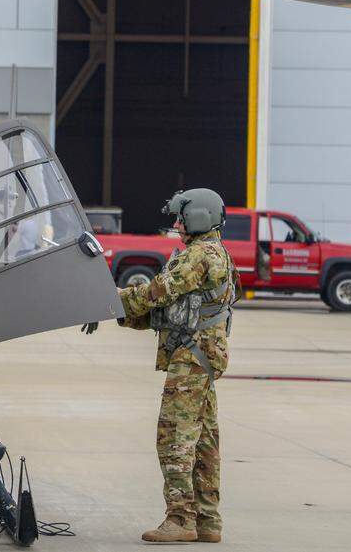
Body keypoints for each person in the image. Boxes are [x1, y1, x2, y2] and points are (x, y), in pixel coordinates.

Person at [108, 188, 239, 543]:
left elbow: (156, 293)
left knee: (175, 437)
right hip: (201, 354)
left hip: (191, 357)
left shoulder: (199, 255)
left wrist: (109, 299)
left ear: (199, 217)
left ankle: (181, 518)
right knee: (205, 439)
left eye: (181, 217)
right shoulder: (213, 252)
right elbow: (169, 312)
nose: (177, 224)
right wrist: (122, 314)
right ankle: (208, 521)